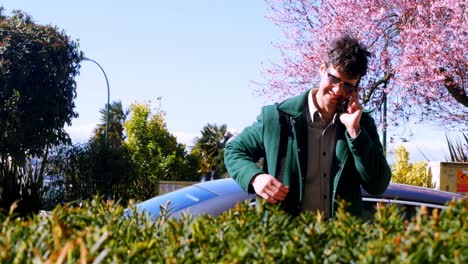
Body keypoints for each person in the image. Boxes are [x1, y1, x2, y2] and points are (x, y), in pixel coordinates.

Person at [224, 35, 391, 218]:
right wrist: (255, 178)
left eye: (348, 86)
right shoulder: (278, 117)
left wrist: (355, 133)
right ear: (322, 69)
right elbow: (234, 150)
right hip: (287, 242)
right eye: (334, 80)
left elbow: (378, 185)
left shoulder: (362, 125)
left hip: (341, 243)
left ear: (357, 87)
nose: (338, 91)